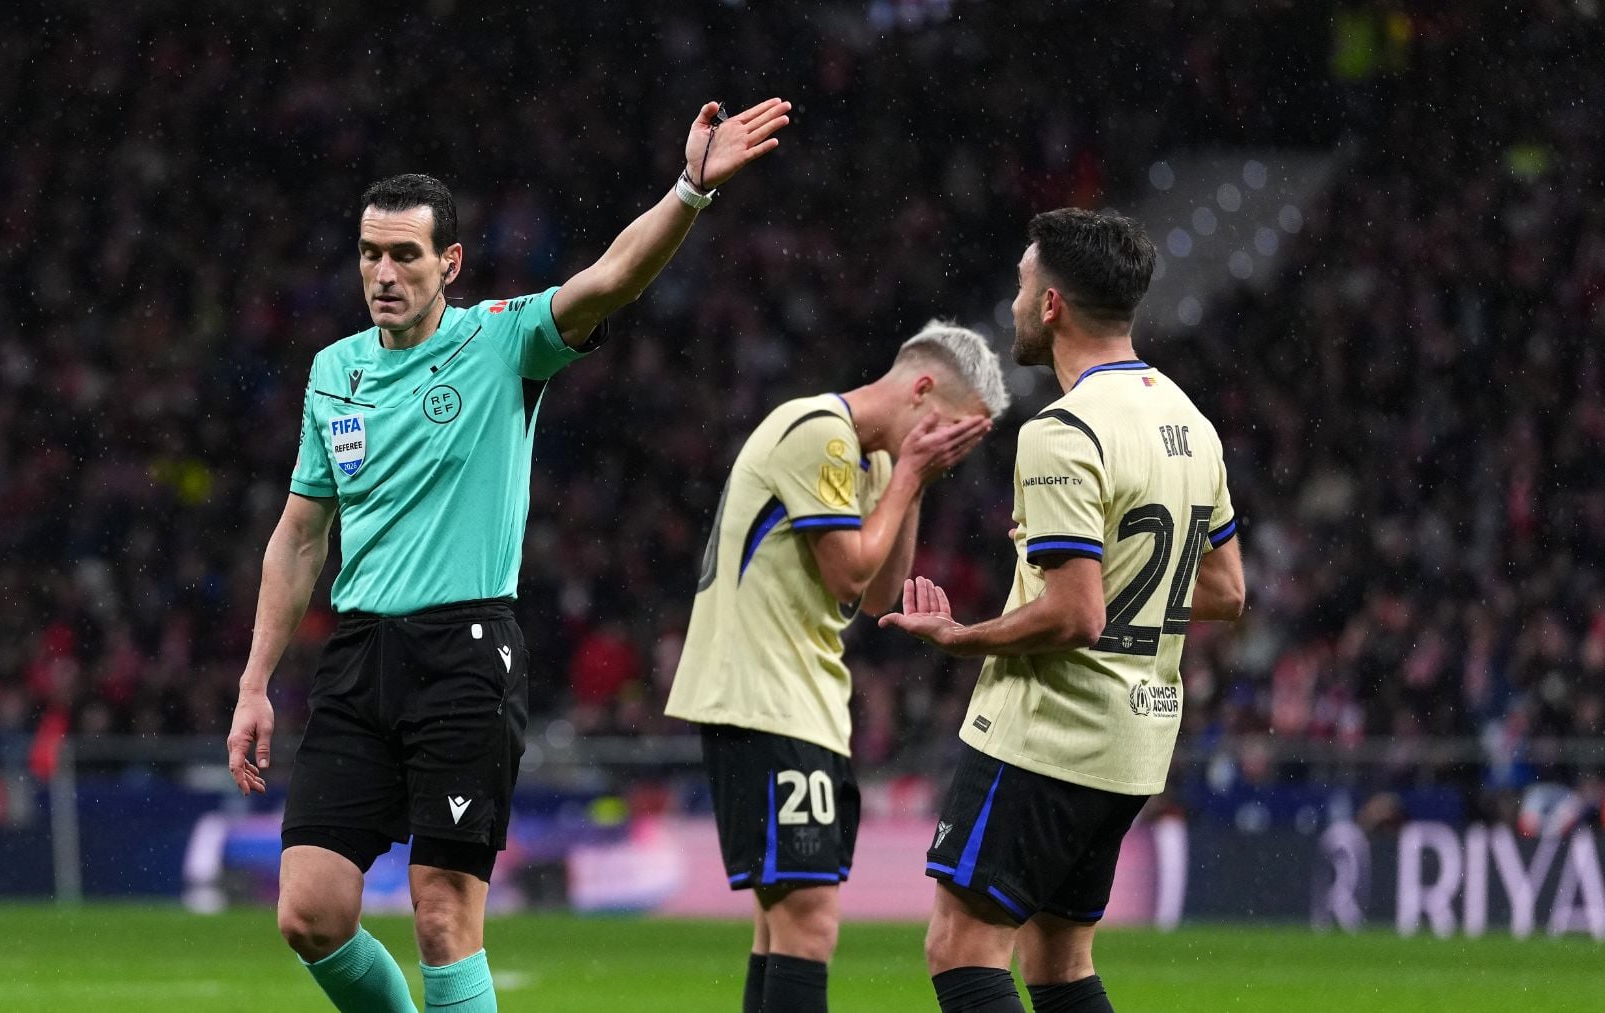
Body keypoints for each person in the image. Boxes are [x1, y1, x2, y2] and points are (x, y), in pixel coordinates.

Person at [224, 98, 792, 1013]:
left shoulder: (500, 340)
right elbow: (299, 533)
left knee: (444, 913)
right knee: (310, 912)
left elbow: (610, 279)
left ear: (448, 262)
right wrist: (256, 682)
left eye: (404, 255)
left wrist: (690, 190)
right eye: (370, 254)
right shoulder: (335, 370)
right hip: (358, 656)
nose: (383, 273)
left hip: (463, 653)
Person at [880, 209, 1245, 1013]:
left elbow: (1074, 615)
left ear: (1052, 305)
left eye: (1020, 285)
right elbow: (1225, 590)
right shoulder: (1191, 421)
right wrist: (1128, 583)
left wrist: (962, 635)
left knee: (961, 947)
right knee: (1057, 957)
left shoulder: (1064, 430)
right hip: (1134, 739)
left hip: (1048, 733)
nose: (1014, 304)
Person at [665, 321, 1007, 1013]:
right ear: (920, 389)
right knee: (810, 918)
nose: (950, 450)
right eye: (950, 431)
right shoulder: (817, 430)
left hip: (802, 697)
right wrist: (910, 472)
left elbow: (879, 595)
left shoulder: (871, 461)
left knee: (783, 921)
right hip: (761, 694)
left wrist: (911, 480)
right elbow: (850, 568)